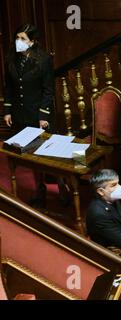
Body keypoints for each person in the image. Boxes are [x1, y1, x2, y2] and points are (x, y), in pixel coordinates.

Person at [2, 24, 69, 207]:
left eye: (23, 39)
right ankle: (40, 189)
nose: (19, 42)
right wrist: (7, 111)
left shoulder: (43, 60)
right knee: (31, 154)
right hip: (21, 115)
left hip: (40, 115)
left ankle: (62, 186)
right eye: (17, 38)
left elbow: (48, 90)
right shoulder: (11, 59)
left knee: (50, 154)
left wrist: (43, 115)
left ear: (32, 41)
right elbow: (9, 87)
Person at [87, 169, 121, 261]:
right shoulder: (99, 215)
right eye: (113, 185)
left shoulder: (111, 199)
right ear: (101, 191)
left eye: (118, 183)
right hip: (110, 259)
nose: (119, 187)